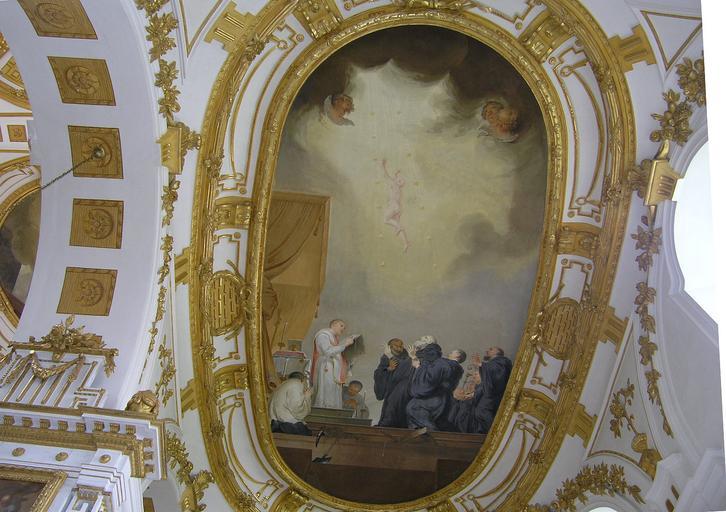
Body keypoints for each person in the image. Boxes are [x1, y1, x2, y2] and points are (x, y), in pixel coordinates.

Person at [450, 347, 513, 434]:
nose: (487, 350)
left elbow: (495, 376)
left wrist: (480, 364)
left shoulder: (502, 361)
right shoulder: (492, 364)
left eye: (491, 349)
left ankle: (490, 433)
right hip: (488, 395)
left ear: (497, 352)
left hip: (494, 396)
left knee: (480, 411)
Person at [406, 340, 455, 431]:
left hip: (436, 398)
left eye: (425, 353)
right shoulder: (435, 363)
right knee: (412, 406)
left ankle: (433, 432)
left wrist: (418, 366)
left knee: (414, 407)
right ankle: (419, 430)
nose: (423, 356)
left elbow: (426, 385)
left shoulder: (439, 364)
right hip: (434, 396)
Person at [312, 319, 356, 409]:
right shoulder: (323, 335)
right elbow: (327, 351)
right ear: (333, 325)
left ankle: (332, 409)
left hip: (333, 367)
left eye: (344, 327)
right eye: (341, 326)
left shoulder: (334, 338)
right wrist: (344, 345)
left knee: (333, 389)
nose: (343, 329)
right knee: (327, 388)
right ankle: (325, 408)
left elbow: (337, 352)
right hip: (326, 365)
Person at [374, 338, 415, 428]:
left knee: (398, 409)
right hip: (391, 389)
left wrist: (389, 357)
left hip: (403, 389)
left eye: (401, 346)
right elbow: (379, 373)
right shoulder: (386, 358)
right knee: (390, 407)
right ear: (390, 347)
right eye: (396, 346)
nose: (399, 348)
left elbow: (406, 368)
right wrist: (388, 369)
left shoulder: (408, 357)